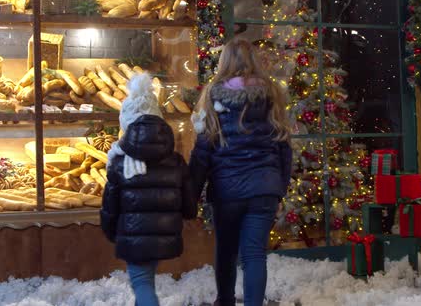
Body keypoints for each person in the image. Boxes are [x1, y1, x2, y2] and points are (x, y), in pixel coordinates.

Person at [190, 38, 293, 306]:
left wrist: (190, 195)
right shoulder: (271, 94)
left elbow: (202, 151)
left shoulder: (212, 94)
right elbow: (284, 146)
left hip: (227, 191)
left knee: (226, 250)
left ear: (224, 62)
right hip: (264, 188)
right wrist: (279, 187)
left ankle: (224, 301)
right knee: (254, 255)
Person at [100, 73, 197, 306]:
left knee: (141, 283)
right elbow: (189, 206)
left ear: (126, 123)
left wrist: (112, 232)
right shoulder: (175, 160)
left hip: (133, 235)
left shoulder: (119, 162)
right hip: (165, 233)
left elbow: (110, 206)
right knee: (146, 281)